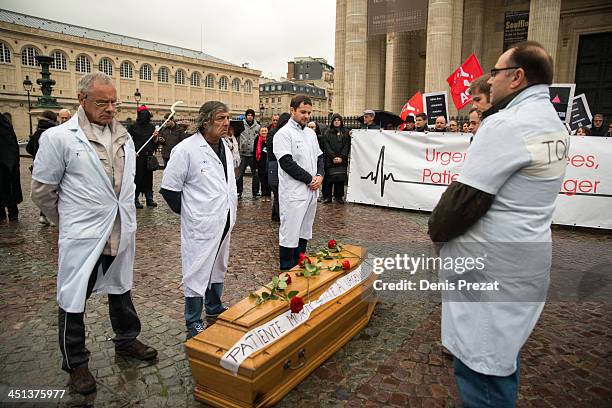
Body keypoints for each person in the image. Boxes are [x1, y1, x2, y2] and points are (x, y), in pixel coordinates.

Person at [428, 41, 568, 407]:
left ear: (517, 77)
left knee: (482, 369)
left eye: (495, 72)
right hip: (525, 259)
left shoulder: (506, 123)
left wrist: (436, 234)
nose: (489, 81)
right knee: (503, 357)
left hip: (490, 267)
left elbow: (462, 201)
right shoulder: (553, 122)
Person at [31, 72, 157, 395]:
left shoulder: (124, 137)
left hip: (120, 228)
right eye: (102, 102)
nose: (110, 108)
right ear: (81, 100)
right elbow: (43, 191)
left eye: (114, 102)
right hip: (83, 235)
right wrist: (70, 221)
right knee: (74, 298)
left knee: (121, 287)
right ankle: (76, 363)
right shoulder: (59, 138)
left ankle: (127, 338)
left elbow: (125, 183)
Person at [160, 101, 237, 339]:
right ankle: (193, 319)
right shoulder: (186, 149)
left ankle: (214, 306)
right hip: (201, 223)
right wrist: (191, 213)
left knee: (218, 265)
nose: (226, 123)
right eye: (221, 118)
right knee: (197, 268)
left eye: (228, 118)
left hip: (224, 217)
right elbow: (169, 189)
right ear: (205, 122)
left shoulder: (225, 145)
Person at [273, 95, 324, 270]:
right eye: (303, 112)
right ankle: (287, 267)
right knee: (290, 231)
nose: (306, 116)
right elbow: (287, 163)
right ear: (292, 110)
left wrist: (320, 175)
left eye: (309, 113)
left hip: (311, 190)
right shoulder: (283, 134)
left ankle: (300, 264)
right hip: (294, 192)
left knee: (305, 229)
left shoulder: (310, 133)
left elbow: (319, 157)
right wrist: (310, 179)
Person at [26, 110, 58, 225]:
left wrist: (36, 155)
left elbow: (28, 148)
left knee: (43, 191)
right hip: (52, 165)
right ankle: (53, 218)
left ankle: (43, 216)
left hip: (38, 166)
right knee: (54, 190)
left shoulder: (37, 132)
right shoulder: (53, 132)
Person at [128, 105, 159, 208]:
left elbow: (155, 144)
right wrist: (131, 151)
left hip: (148, 156)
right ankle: (135, 198)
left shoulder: (151, 127)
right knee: (137, 178)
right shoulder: (133, 127)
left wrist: (155, 138)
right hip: (137, 156)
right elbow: (128, 140)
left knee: (148, 179)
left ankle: (149, 198)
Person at [267, 112, 290, 222]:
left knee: (282, 191)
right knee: (277, 192)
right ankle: (277, 215)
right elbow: (272, 148)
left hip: (282, 165)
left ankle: (277, 215)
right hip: (274, 164)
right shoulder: (273, 133)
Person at [322, 114, 350, 204]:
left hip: (342, 159)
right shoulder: (327, 132)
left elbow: (347, 145)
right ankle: (327, 196)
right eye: (335, 120)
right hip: (330, 159)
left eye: (338, 120)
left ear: (341, 121)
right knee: (328, 178)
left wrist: (341, 157)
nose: (337, 121)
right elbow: (326, 146)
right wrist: (333, 157)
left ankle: (338, 196)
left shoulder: (346, 132)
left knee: (340, 178)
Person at [0, 113, 22, 222]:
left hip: (7, 166)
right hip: (8, 164)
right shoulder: (6, 125)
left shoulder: (5, 126)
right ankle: (8, 214)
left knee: (9, 191)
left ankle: (11, 214)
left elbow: (11, 146)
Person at [237, 108, 261, 199]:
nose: (250, 117)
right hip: (242, 153)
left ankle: (255, 192)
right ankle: (239, 191)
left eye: (251, 115)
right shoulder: (241, 125)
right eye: (248, 115)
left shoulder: (258, 127)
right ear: (246, 116)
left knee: (255, 174)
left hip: (252, 154)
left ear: (253, 117)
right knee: (240, 174)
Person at [254, 126, 271, 201]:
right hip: (261, 162)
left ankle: (268, 195)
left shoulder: (270, 139)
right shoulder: (257, 139)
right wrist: (256, 165)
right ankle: (263, 195)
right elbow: (255, 151)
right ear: (259, 132)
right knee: (262, 180)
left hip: (269, 162)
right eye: (262, 131)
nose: (264, 132)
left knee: (268, 180)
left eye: (265, 131)